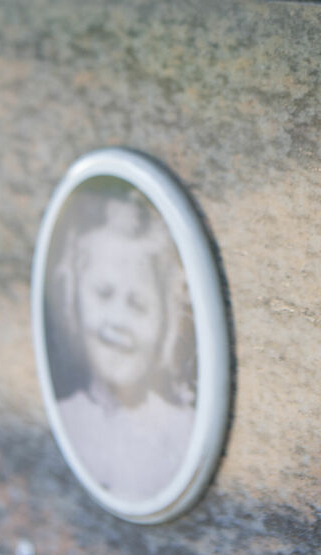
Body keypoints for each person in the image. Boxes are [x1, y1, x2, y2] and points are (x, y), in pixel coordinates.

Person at [44, 180, 196, 502]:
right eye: (103, 294)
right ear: (75, 301)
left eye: (138, 304)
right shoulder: (64, 418)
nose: (118, 321)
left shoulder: (183, 433)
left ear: (165, 321)